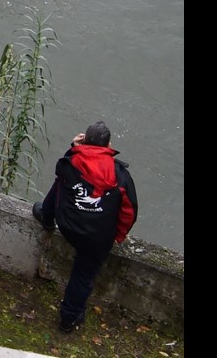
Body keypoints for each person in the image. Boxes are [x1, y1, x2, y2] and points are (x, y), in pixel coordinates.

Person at [32, 122, 138, 334]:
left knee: (61, 180)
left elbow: (62, 168)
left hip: (68, 226)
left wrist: (73, 147)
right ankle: (68, 320)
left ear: (84, 140)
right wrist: (117, 236)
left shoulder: (70, 162)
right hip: (97, 238)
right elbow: (129, 212)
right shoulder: (121, 176)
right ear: (109, 145)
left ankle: (46, 216)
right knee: (83, 276)